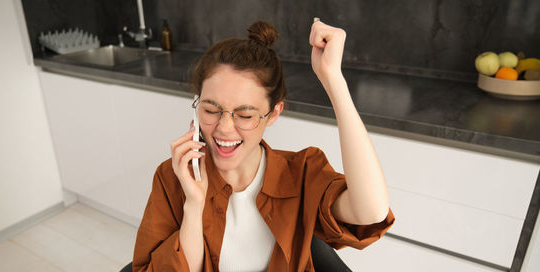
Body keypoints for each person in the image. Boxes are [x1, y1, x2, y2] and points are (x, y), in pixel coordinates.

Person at [132, 19, 394, 272]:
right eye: (210, 110)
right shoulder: (172, 177)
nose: (223, 128)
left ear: (274, 113)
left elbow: (371, 211)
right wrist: (193, 204)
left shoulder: (301, 173)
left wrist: (333, 79)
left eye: (245, 115)